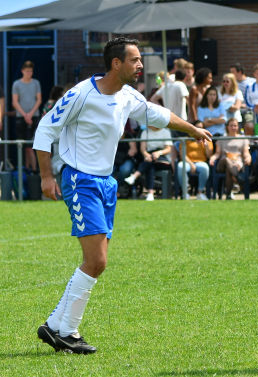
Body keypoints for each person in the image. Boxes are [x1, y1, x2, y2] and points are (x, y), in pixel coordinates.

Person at [33, 37, 211, 354]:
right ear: (116, 64)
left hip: (106, 184)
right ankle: (69, 332)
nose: (141, 65)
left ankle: (56, 326)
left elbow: (159, 114)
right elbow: (46, 129)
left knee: (96, 262)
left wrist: (193, 130)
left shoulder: (128, 96)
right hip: (80, 180)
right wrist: (47, 176)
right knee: (97, 260)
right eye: (135, 60)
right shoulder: (81, 94)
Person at [124, 125, 173, 201]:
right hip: (150, 157)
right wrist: (147, 156)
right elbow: (143, 149)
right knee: (150, 166)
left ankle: (135, 176)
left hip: (163, 158)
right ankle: (150, 194)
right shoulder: (145, 132)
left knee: (149, 164)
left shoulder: (166, 132)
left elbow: (168, 149)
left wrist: (158, 153)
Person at [209, 118, 251, 199]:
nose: (233, 127)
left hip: (237, 163)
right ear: (227, 127)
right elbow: (217, 154)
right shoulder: (222, 139)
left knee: (229, 170)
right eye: (231, 125)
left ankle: (228, 194)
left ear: (238, 127)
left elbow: (246, 153)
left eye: (235, 125)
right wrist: (212, 158)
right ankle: (238, 178)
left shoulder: (243, 139)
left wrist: (248, 158)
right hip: (222, 163)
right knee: (226, 160)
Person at [13, 60, 42, 172]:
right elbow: (15, 102)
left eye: (30, 71)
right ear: (22, 71)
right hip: (21, 117)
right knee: (23, 147)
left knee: (31, 146)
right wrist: (25, 115)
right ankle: (26, 169)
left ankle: (34, 171)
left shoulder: (36, 83)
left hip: (33, 116)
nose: (29, 73)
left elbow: (38, 100)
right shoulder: (16, 84)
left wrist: (30, 114)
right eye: (27, 71)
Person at [177, 135, 212, 200]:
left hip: (201, 162)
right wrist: (191, 164)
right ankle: (185, 193)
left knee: (205, 168)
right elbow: (182, 155)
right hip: (187, 162)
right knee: (180, 166)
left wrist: (206, 146)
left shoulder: (207, 140)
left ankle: (200, 193)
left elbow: (209, 156)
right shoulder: (185, 140)